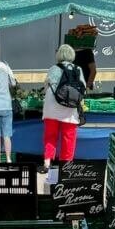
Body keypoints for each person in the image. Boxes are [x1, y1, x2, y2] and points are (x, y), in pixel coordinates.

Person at [42, 44, 85, 173]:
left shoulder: (53, 68)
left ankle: (47, 163)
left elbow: (46, 87)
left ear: (59, 55)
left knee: (50, 136)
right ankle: (65, 167)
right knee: (68, 137)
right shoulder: (78, 69)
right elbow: (83, 88)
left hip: (52, 106)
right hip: (70, 107)